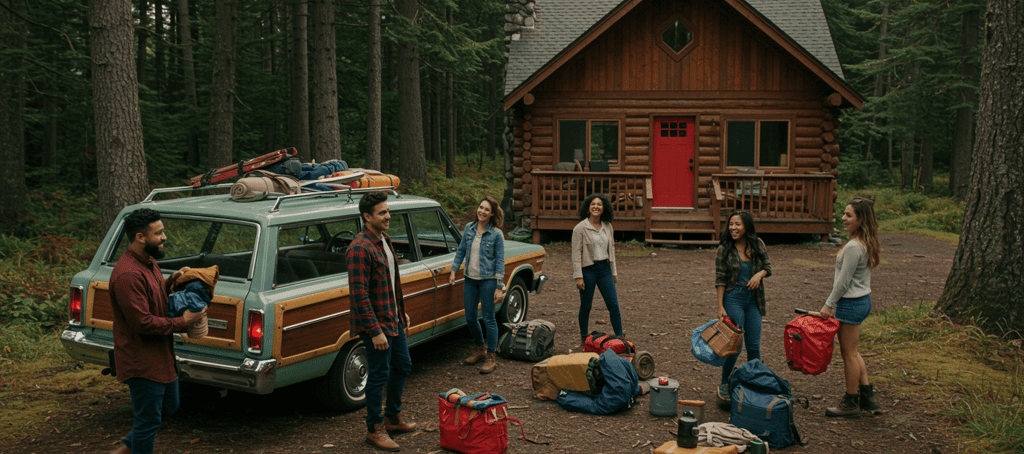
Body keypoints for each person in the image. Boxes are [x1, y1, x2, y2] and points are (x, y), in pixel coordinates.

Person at [108, 208, 206, 454]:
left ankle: (124, 450)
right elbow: (143, 323)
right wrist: (183, 321)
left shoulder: (149, 262)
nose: (164, 237)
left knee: (169, 406)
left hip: (162, 356)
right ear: (141, 237)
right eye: (159, 232)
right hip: (141, 360)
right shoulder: (128, 275)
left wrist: (171, 281)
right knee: (148, 421)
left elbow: (152, 296)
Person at [347, 191, 416, 451]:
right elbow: (359, 296)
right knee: (378, 375)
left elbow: (391, 282)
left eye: (388, 211)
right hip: (375, 325)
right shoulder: (358, 248)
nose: (388, 216)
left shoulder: (384, 239)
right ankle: (374, 429)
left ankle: (392, 417)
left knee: (403, 365)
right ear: (367, 217)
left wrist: (401, 310)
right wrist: (375, 331)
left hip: (392, 317)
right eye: (382, 213)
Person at [819, 196, 881, 418]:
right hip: (860, 300)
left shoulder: (855, 246)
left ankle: (850, 403)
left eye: (848, 215)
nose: (843, 218)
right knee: (853, 352)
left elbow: (843, 282)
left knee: (849, 355)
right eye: (843, 214)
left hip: (852, 303)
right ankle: (868, 398)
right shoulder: (861, 241)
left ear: (860, 219)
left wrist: (828, 305)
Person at [713, 211, 772, 408]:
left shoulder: (757, 244)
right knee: (734, 346)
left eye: (737, 224)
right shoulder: (724, 249)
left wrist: (758, 276)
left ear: (746, 226)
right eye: (731, 224)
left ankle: (757, 383)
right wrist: (720, 306)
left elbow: (768, 267)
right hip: (734, 298)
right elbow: (720, 278)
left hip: (753, 300)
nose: (733, 228)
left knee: (754, 346)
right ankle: (725, 384)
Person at [449, 196, 506, 374]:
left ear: (493, 213)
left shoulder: (496, 234)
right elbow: (461, 250)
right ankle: (480, 349)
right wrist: (453, 269)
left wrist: (498, 285)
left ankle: (491, 356)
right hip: (470, 280)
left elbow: (499, 261)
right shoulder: (469, 228)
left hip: (488, 280)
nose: (482, 211)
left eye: (486, 210)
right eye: (480, 207)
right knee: (471, 318)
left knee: (489, 318)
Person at [571, 193, 624, 345]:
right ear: (588, 207)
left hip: (605, 270)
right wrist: (578, 276)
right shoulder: (580, 228)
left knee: (613, 305)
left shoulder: (608, 226)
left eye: (599, 204)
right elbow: (576, 254)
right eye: (593, 204)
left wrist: (614, 272)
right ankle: (583, 338)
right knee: (586, 306)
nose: (596, 207)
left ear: (604, 208)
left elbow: (611, 250)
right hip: (588, 270)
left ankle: (620, 337)